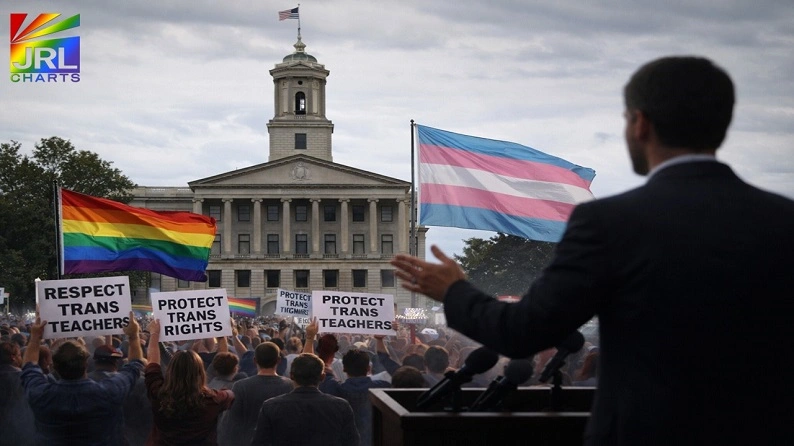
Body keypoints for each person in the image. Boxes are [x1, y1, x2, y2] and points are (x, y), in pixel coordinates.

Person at [391, 56, 794, 445]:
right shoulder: (783, 220)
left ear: (640, 124)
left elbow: (522, 332)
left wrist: (454, 291)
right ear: (722, 127)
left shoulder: (610, 224)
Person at [20, 312, 145, 445]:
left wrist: (34, 339)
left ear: (54, 366)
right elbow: (134, 365)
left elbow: (29, 367)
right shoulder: (109, 392)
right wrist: (133, 336)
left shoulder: (40, 395)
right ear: (86, 363)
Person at [144, 319, 234, 445]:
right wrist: (221, 337)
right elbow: (224, 364)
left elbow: (152, 362)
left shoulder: (158, 393)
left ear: (170, 371)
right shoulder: (213, 400)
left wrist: (154, 334)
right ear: (201, 373)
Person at [250, 353, 359, 446]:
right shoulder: (341, 407)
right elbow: (352, 442)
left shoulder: (271, 407)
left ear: (291, 376)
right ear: (322, 377)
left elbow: (259, 442)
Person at [217, 342, 294, 446]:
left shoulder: (241, 386)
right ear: (279, 360)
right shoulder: (290, 386)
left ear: (255, 360)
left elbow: (231, 423)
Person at [0, 341, 35, 446]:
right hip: (21, 433)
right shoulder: (24, 378)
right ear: (13, 357)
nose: (21, 358)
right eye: (19, 355)